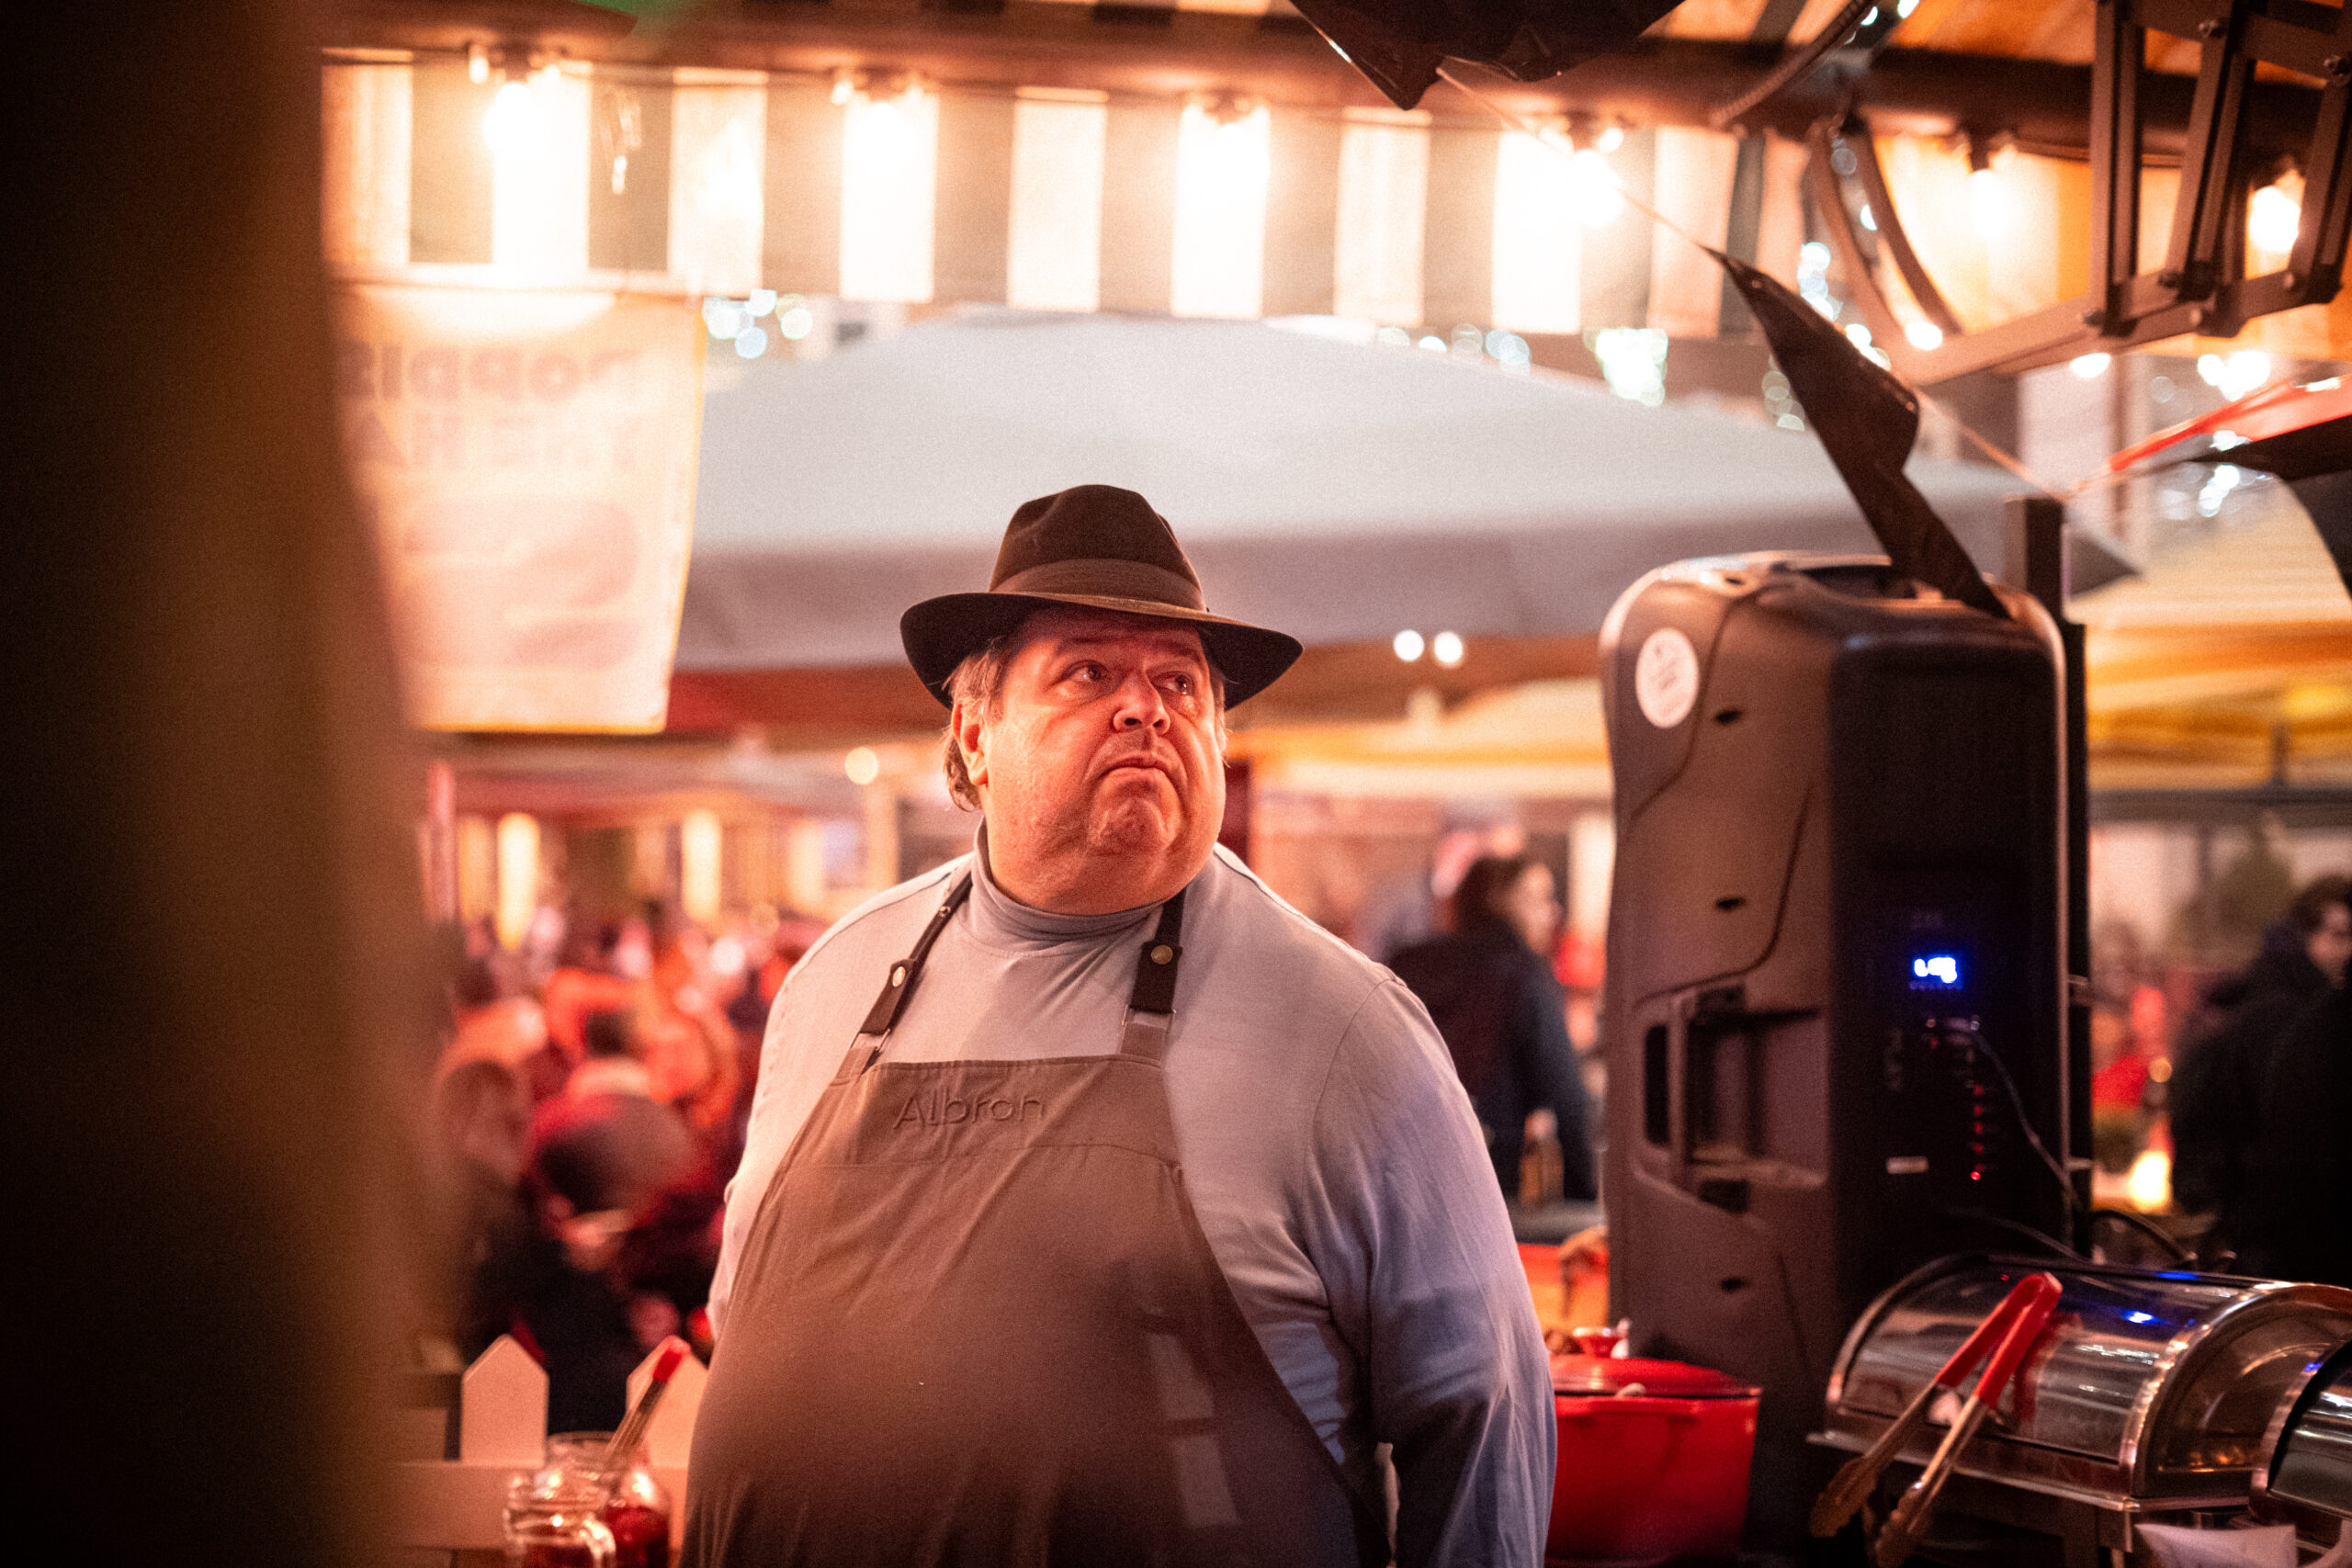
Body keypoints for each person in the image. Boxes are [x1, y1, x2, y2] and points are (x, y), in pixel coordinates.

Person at [685, 485, 1551, 1567]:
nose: (1147, 709)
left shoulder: (1344, 1029)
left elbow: (1482, 1414)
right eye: (1087, 672)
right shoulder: (834, 983)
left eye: (1180, 682)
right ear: (974, 731)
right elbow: (746, 1314)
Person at [1390, 854, 1598, 1205]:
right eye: (1539, 898)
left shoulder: (1407, 964)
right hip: (1483, 1183)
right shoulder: (1521, 972)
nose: (1553, 913)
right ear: (1500, 902)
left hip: (1399, 1178)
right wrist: (1584, 1204)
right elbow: (1568, 1100)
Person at [2170, 874, 2351, 1245]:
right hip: (2277, 1229)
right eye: (2339, 935)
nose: (2347, 949)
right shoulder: (2284, 1016)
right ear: (2303, 936)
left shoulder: (2263, 1001)